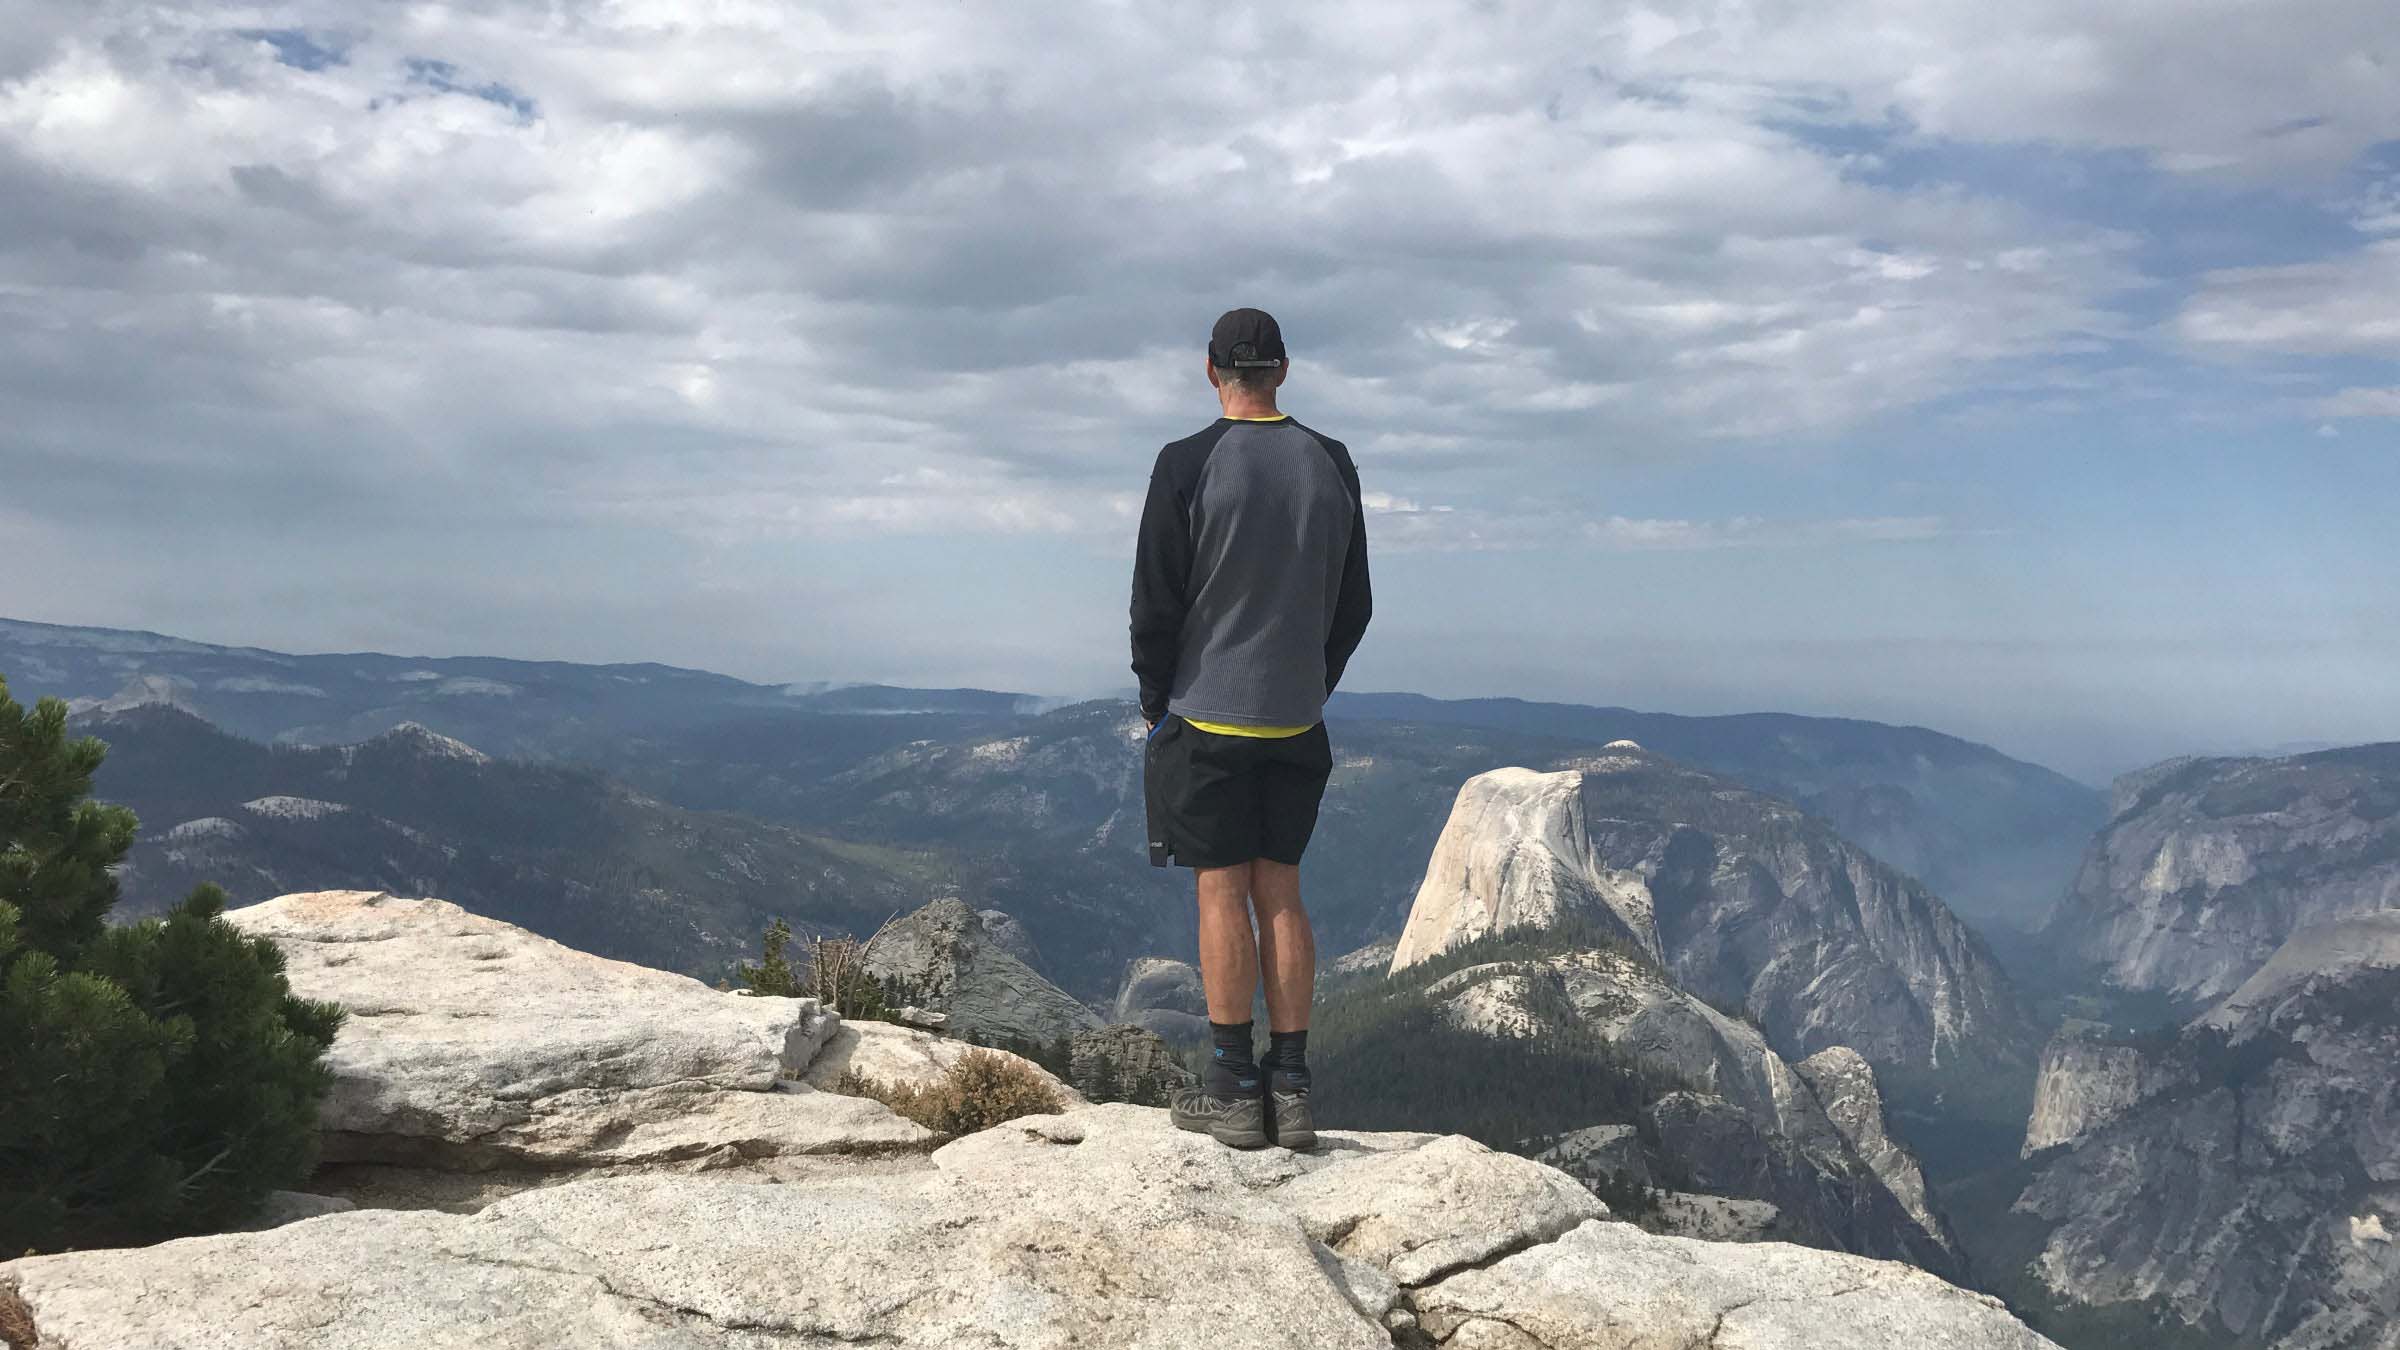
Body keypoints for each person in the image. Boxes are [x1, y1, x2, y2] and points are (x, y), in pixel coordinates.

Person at [1128, 307, 1372, 1150]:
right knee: (1283, 894)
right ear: (1284, 371)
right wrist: (1312, 682)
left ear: (1209, 371)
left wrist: (1157, 699)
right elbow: (1354, 603)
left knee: (1220, 892)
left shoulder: (1186, 464)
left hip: (1207, 716)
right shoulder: (1331, 464)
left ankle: (1234, 1089)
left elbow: (1156, 600)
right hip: (1296, 718)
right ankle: (1293, 1090)